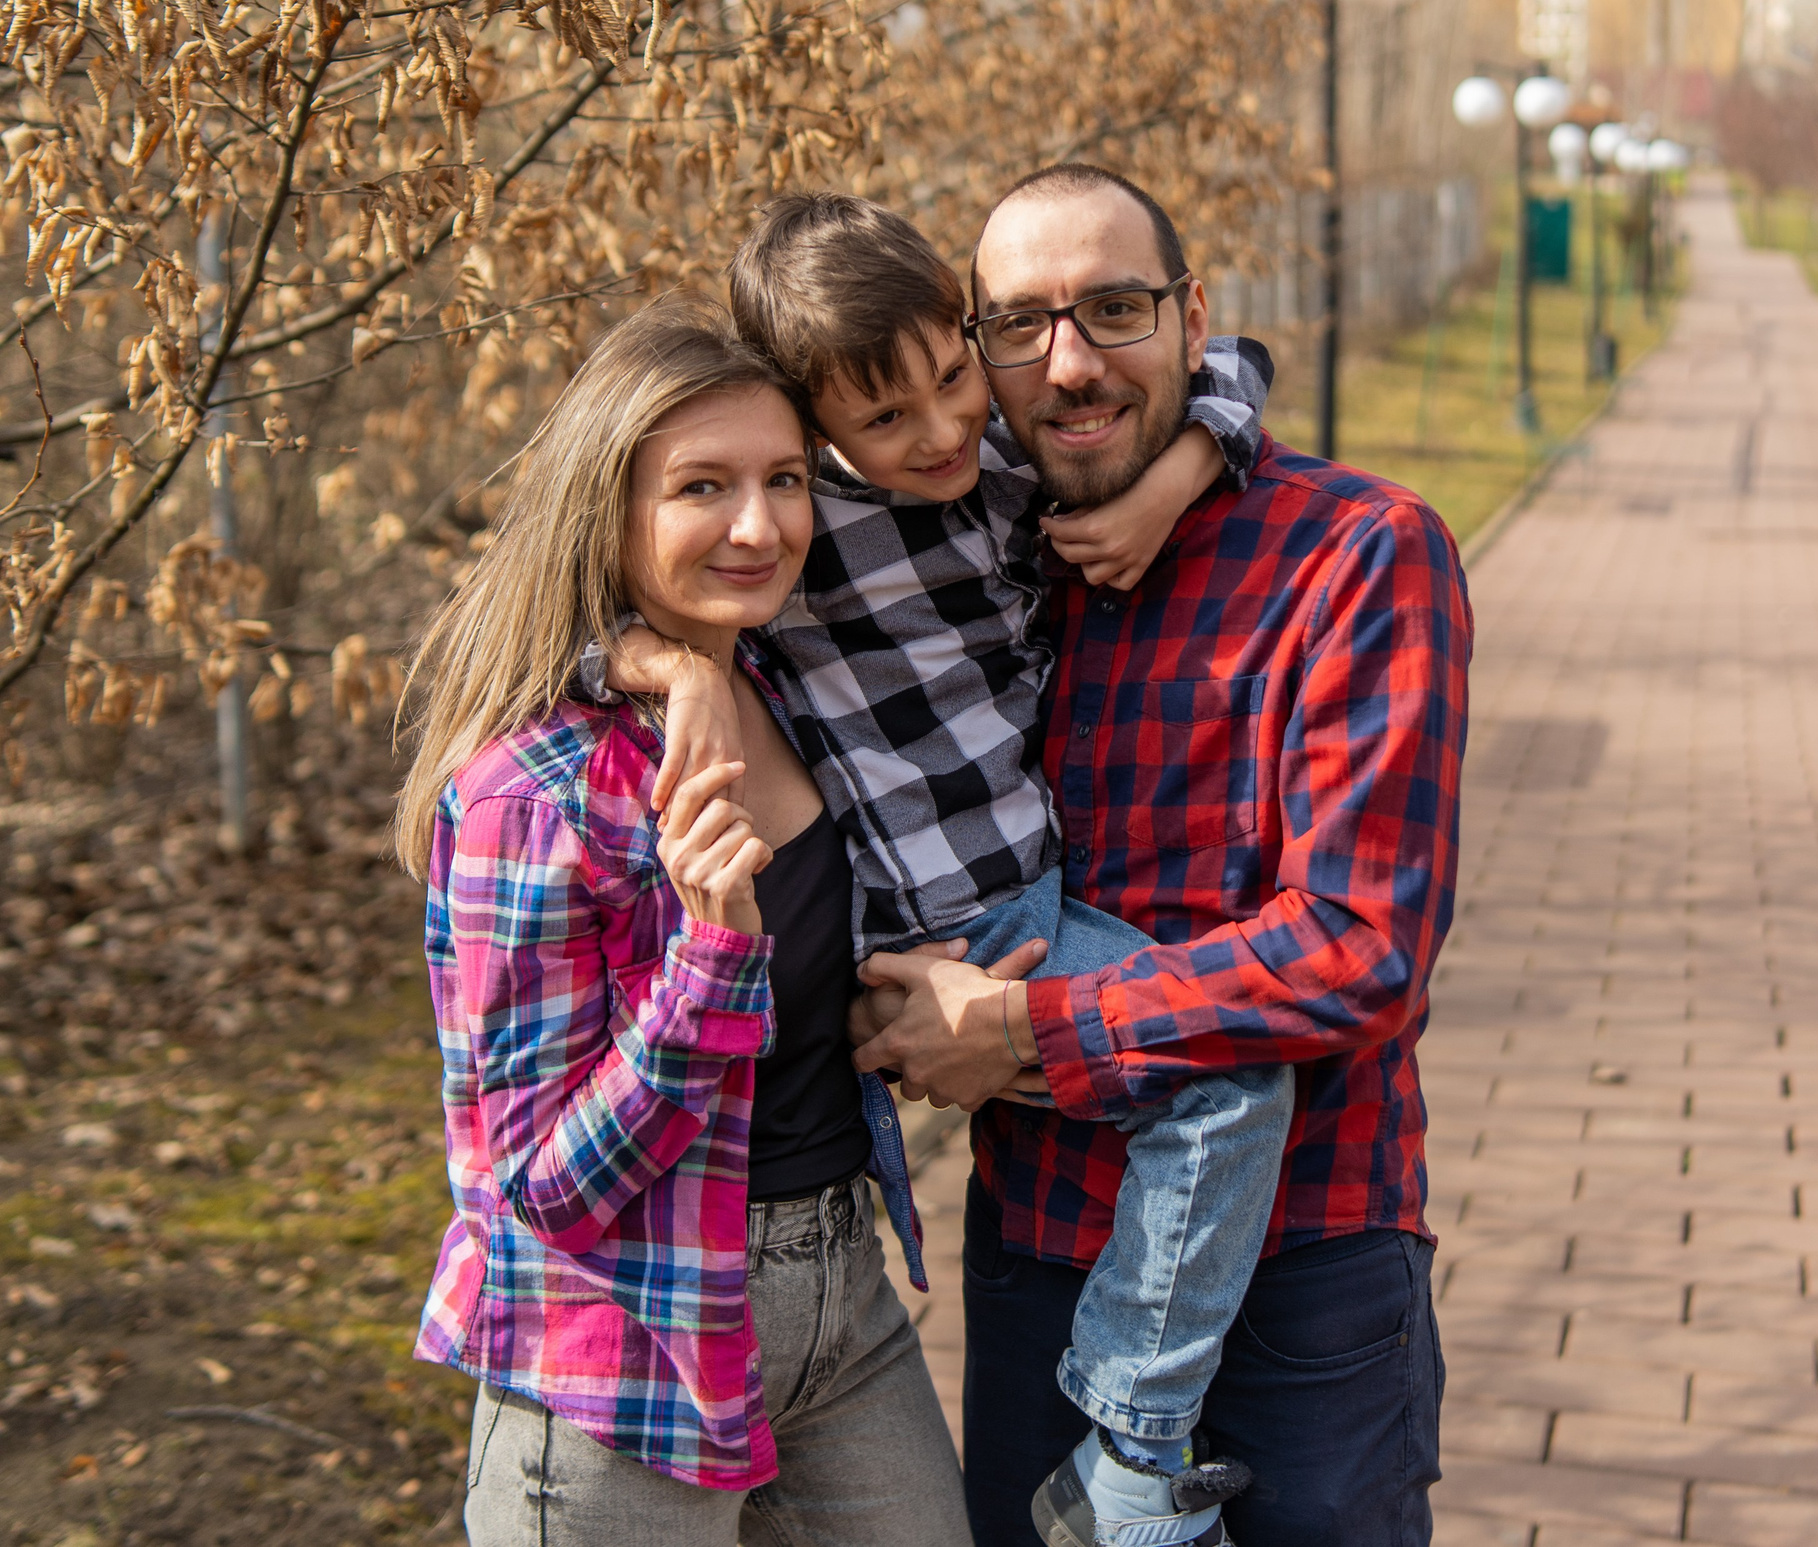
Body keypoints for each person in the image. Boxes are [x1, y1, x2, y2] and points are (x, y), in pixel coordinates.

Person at [609, 192, 1293, 1547]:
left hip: (1025, 889)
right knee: (1226, 1078)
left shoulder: (992, 465)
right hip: (957, 912)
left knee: (1198, 1080)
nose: (936, 432)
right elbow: (591, 598)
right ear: (808, 429)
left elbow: (1238, 368)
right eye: (884, 421)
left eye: (949, 378)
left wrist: (1171, 478)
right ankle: (1132, 1446)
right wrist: (667, 664)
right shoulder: (799, 535)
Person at [852, 164, 1473, 1546]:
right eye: (1018, 324)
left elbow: (1361, 948)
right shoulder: (976, 548)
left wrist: (1024, 1027)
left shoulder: (1360, 553)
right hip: (1045, 1250)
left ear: (1192, 317)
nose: (1068, 364)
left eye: (1114, 310)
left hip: (1306, 1253)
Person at [390, 296, 972, 1545]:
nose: (759, 526)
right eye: (701, 486)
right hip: (619, 1352)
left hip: (842, 1299)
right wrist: (712, 958)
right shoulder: (529, 798)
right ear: (608, 508)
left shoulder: (775, 674)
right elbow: (541, 1184)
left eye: (783, 480)